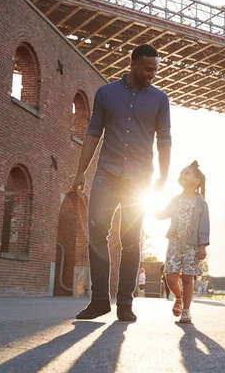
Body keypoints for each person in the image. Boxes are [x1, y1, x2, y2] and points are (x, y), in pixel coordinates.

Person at [72, 44, 171, 322]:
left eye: (156, 69)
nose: (153, 74)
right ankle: (100, 300)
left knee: (130, 241)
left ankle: (125, 304)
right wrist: (81, 172)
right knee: (96, 235)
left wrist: (163, 177)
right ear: (132, 64)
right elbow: (93, 133)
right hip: (106, 175)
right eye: (148, 69)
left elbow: (164, 141)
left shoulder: (160, 99)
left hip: (138, 181)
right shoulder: (105, 93)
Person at [156, 161, 210, 324]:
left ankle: (186, 311)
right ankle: (178, 297)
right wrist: (154, 210)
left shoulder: (201, 203)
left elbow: (204, 225)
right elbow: (164, 213)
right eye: (181, 173)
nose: (182, 175)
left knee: (187, 277)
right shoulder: (175, 199)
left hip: (192, 246)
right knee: (170, 277)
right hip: (175, 243)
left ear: (197, 181)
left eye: (187, 173)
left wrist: (203, 246)